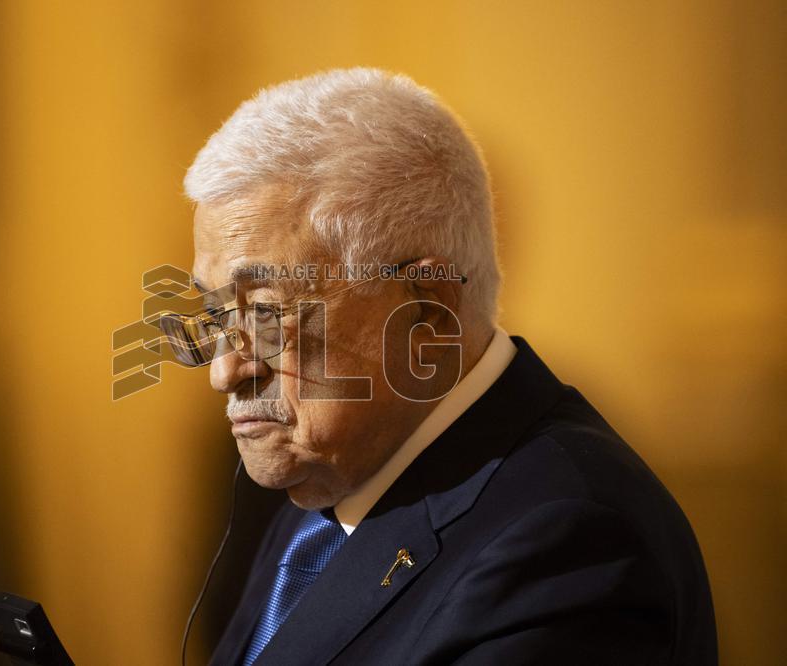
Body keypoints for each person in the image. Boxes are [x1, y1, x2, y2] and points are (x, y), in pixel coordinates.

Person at [170, 67, 717, 665]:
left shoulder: (567, 541)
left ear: (427, 316)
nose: (224, 370)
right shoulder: (325, 487)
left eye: (269, 313)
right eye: (217, 311)